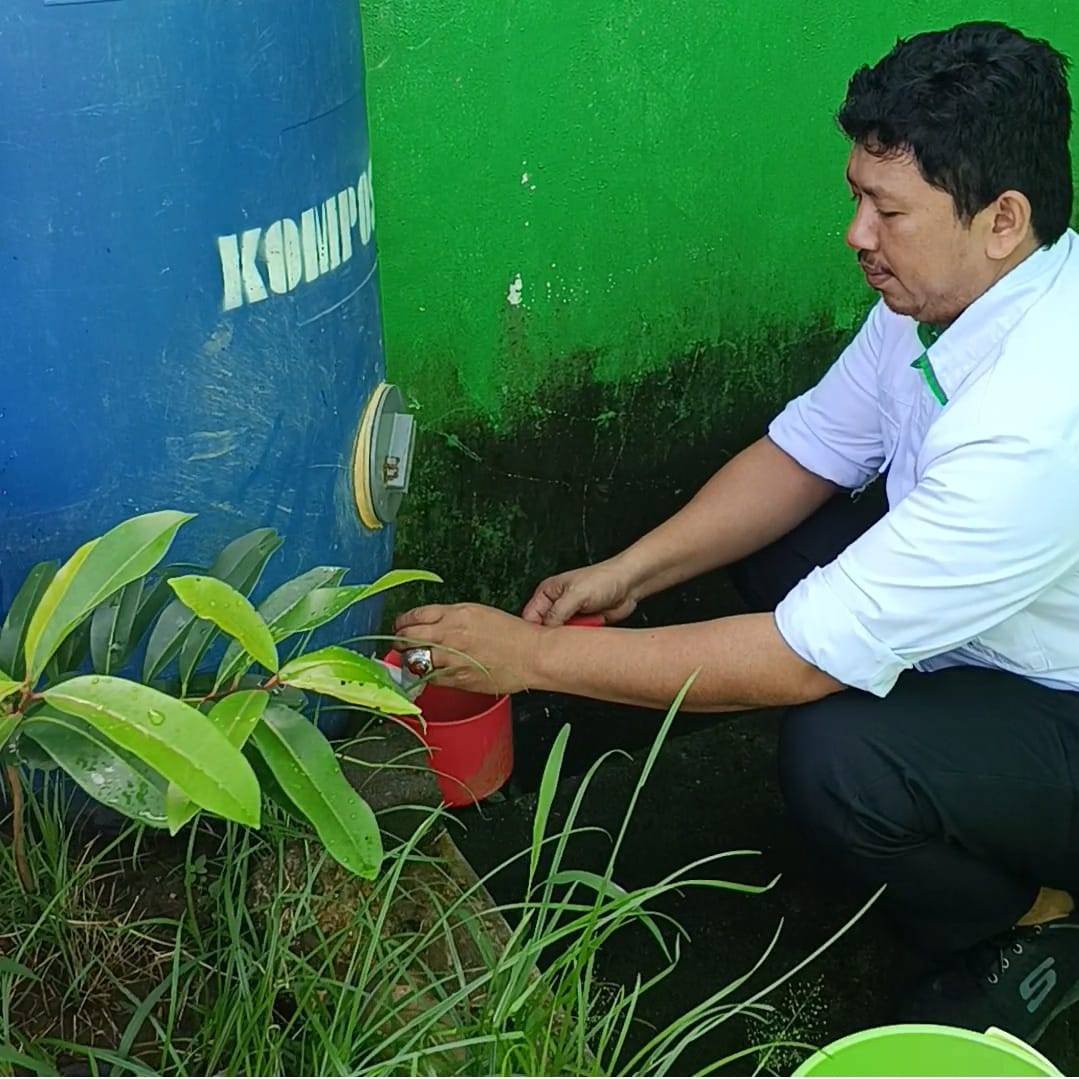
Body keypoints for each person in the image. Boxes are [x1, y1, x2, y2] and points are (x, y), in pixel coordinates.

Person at [396, 22, 1079, 1042]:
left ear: (1000, 219)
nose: (854, 232)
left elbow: (801, 658)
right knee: (779, 548)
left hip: (1059, 697)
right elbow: (804, 451)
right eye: (856, 195)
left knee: (836, 755)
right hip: (988, 623)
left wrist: (530, 658)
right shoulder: (933, 297)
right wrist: (628, 572)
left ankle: (1032, 920)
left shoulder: (1034, 420)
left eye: (884, 209)